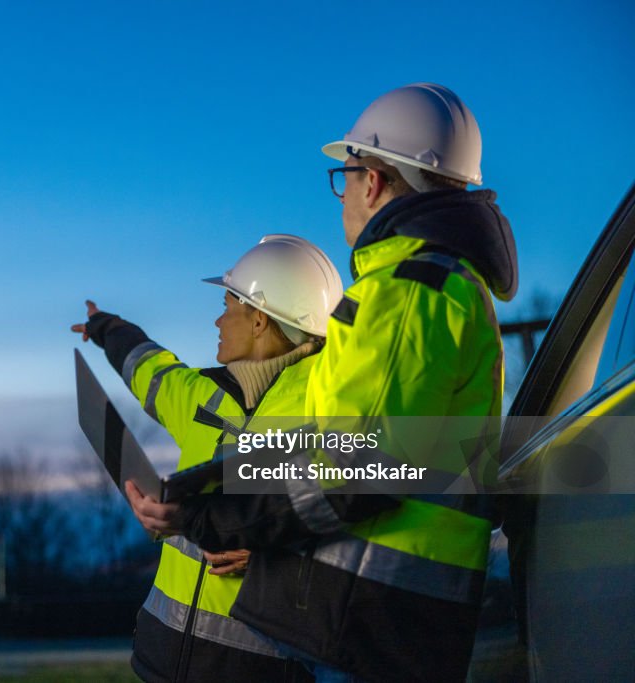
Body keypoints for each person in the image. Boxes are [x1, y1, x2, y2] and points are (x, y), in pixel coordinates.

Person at [126, 83, 519, 683]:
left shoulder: (408, 290)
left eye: (346, 177)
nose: (345, 197)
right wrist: (204, 487)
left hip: (371, 624)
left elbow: (354, 466)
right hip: (375, 617)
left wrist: (207, 518)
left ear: (373, 182)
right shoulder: (436, 286)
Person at [72, 234, 342, 683]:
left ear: (259, 320)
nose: (218, 321)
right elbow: (149, 367)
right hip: (162, 658)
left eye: (227, 307)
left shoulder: (332, 412)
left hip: (261, 671)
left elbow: (367, 534)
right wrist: (107, 327)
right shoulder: (203, 394)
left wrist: (273, 561)